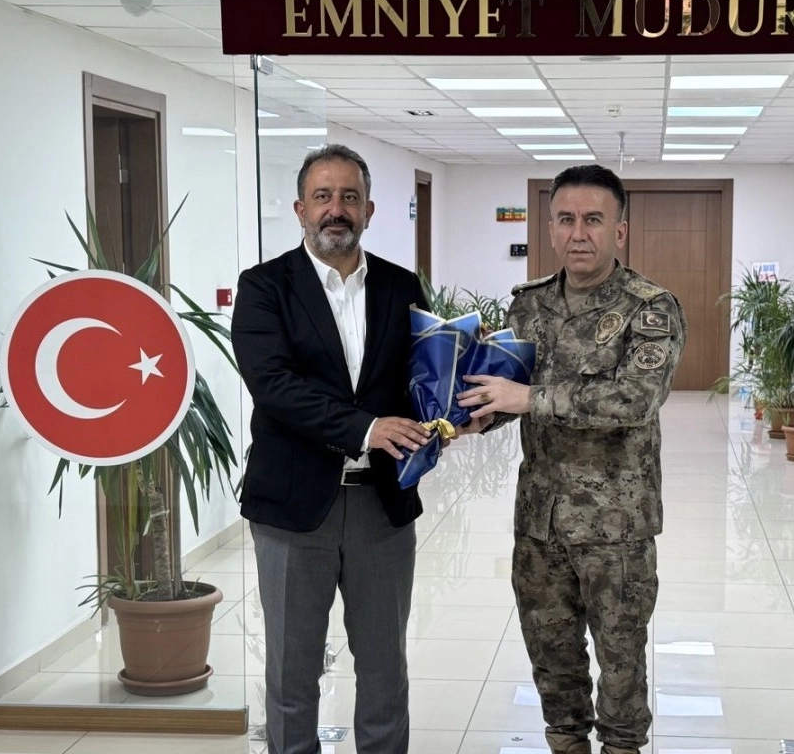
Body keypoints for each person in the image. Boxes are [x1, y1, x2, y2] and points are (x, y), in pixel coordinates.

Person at [456, 164, 687, 754]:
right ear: (551, 228)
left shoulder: (649, 309)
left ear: (619, 231)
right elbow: (510, 392)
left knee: (621, 664)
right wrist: (475, 415)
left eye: (593, 220)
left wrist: (527, 399)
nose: (578, 233)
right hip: (541, 522)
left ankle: (622, 747)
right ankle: (566, 743)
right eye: (565, 219)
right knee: (551, 658)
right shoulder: (529, 305)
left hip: (616, 528)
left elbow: (635, 400)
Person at [231, 144, 431, 754]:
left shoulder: (401, 286)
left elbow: (422, 379)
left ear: (369, 209)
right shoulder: (265, 287)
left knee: (384, 669)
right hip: (293, 512)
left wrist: (458, 411)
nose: (335, 209)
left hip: (381, 508)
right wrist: (366, 429)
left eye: (349, 197)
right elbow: (274, 386)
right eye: (323, 196)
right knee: (292, 673)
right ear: (300, 209)